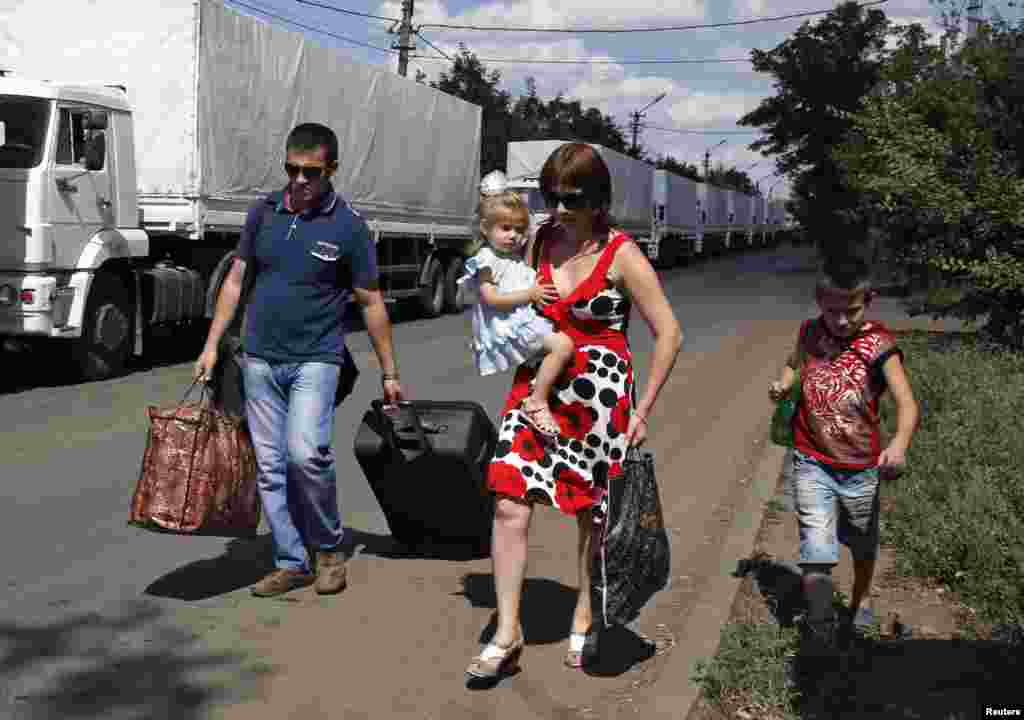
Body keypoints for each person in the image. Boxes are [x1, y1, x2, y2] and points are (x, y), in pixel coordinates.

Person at [465, 143, 683, 682]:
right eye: (551, 197)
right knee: (509, 501)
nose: (558, 210)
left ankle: (585, 610)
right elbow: (491, 269)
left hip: (600, 399)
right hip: (536, 386)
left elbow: (669, 334)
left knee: (592, 514)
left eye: (571, 200)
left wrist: (642, 410)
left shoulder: (622, 254)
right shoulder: (536, 239)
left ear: (598, 200)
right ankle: (507, 631)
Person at [194, 122, 403, 598]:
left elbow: (371, 302)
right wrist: (211, 345)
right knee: (269, 466)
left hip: (317, 359)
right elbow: (236, 279)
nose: (299, 180)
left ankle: (328, 548)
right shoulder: (263, 213)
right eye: (292, 169)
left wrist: (390, 372)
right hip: (259, 360)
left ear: (332, 169)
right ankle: (291, 559)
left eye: (311, 172)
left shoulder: (348, 226)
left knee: (306, 455)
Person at [768, 252, 919, 652]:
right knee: (816, 547)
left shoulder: (879, 345)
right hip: (811, 459)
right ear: (820, 300)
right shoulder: (809, 333)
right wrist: (784, 382)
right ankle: (820, 628)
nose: (839, 320)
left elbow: (906, 402)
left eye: (849, 310)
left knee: (862, 543)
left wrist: (899, 443)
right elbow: (794, 363)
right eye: (831, 310)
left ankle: (862, 596)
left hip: (860, 467)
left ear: (867, 300)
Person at [457, 170, 573, 440]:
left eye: (519, 230)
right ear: (486, 229)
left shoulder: (510, 256)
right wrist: (530, 294)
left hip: (517, 322)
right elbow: (492, 298)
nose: (513, 236)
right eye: (505, 228)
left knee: (553, 352)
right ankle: (537, 401)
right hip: (506, 327)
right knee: (563, 346)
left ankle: (538, 393)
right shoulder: (486, 258)